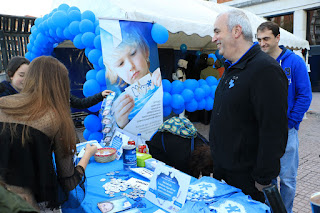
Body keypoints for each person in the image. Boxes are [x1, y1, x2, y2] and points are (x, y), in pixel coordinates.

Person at [209, 10, 288, 202]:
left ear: (236, 31)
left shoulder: (265, 69)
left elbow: (274, 131)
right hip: (225, 176)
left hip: (248, 182)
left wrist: (262, 179)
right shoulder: (232, 67)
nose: (213, 38)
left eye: (217, 31)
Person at [0, 56, 98, 210]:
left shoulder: (3, 104)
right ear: (61, 85)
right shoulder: (54, 117)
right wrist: (87, 155)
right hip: (35, 204)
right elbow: (69, 181)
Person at [257, 21, 312, 212]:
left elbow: (305, 95)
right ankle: (270, 209)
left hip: (287, 131)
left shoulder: (294, 61)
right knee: (267, 177)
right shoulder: (258, 62)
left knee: (287, 180)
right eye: (259, 40)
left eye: (266, 39)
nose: (262, 43)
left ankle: (285, 211)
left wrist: (292, 122)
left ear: (278, 38)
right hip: (264, 133)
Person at [102, 25, 161, 129]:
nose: (130, 66)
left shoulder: (160, 82)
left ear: (145, 51)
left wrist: (162, 88)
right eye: (120, 63)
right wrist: (121, 123)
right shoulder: (121, 104)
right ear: (115, 73)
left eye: (133, 53)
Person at [0, 56, 111, 108]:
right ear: (10, 75)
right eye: (21, 75)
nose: (25, 80)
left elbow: (80, 103)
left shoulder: (52, 92)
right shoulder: (4, 97)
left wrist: (100, 95)